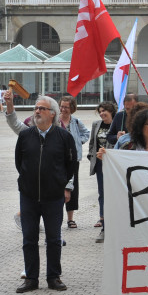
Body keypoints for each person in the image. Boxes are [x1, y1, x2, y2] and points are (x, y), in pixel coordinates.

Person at [15, 96, 77, 293]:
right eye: (36, 108)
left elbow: (71, 165)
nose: (37, 111)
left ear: (53, 113)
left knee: (53, 239)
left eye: (42, 108)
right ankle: (31, 279)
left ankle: (53, 277)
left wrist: (61, 184)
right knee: (29, 238)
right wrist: (28, 180)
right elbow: (19, 162)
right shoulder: (25, 136)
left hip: (53, 197)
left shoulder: (63, 137)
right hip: (29, 196)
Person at [58, 95, 89, 230]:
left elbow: (86, 134)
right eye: (62, 106)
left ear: (72, 108)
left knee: (72, 189)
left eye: (66, 107)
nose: (63, 109)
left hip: (73, 160)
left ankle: (70, 219)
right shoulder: (55, 121)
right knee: (57, 188)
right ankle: (56, 218)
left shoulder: (76, 121)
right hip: (57, 159)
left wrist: (78, 142)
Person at [87, 101, 115, 244]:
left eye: (105, 111)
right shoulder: (96, 124)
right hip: (100, 164)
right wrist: (90, 154)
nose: (102, 113)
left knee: (115, 194)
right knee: (103, 194)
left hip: (114, 166)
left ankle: (115, 225)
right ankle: (104, 226)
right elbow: (93, 141)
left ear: (111, 111)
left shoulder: (117, 124)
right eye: (100, 111)